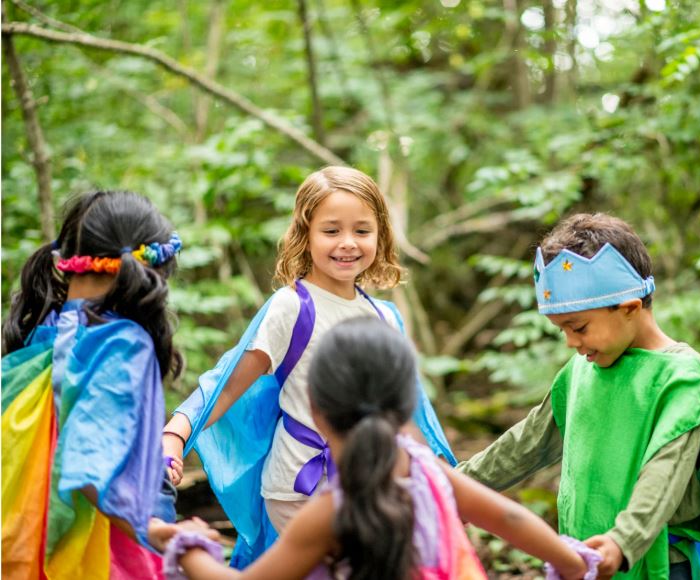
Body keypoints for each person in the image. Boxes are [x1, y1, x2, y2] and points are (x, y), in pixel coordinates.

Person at [161, 166, 456, 568]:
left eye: (362, 230)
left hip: (366, 485)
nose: (348, 243)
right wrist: (176, 433)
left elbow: (410, 409)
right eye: (331, 230)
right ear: (305, 234)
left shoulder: (385, 317)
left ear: (381, 235)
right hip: (298, 487)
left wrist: (438, 476)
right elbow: (227, 384)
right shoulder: (292, 306)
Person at [163, 318, 601, 580]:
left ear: (315, 408)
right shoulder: (426, 471)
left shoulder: (329, 513)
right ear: (407, 403)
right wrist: (574, 562)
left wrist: (190, 548)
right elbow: (509, 517)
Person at [458, 213, 700, 580]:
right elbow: (525, 444)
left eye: (578, 327)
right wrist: (451, 484)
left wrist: (622, 541)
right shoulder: (579, 371)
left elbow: (665, 474)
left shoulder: (681, 378)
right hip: (586, 560)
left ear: (629, 308)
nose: (571, 343)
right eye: (562, 330)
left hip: (653, 564)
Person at [1, 191, 214, 579]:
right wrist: (155, 529)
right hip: (109, 553)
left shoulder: (44, 327)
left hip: (39, 542)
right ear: (155, 269)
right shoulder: (123, 343)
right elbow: (87, 464)